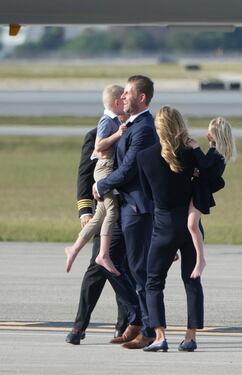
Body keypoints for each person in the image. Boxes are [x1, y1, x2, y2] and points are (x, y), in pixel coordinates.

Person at [93, 75, 158, 349]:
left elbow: (129, 167)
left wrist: (102, 184)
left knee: (138, 269)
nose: (123, 98)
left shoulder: (143, 127)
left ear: (141, 98)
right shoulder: (129, 125)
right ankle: (134, 317)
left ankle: (148, 329)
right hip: (123, 206)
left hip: (136, 206)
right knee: (107, 260)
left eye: (128, 93)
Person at [137, 106, 205, 352]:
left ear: (158, 128)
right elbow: (209, 179)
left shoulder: (144, 157)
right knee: (192, 281)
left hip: (163, 225)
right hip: (190, 224)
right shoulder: (191, 154)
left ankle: (160, 335)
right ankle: (190, 337)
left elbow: (147, 195)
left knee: (153, 282)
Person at [64, 125, 135, 345]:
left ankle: (123, 326)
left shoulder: (135, 131)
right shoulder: (96, 135)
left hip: (128, 210)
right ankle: (79, 325)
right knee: (97, 268)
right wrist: (85, 210)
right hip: (104, 210)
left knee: (127, 269)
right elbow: (85, 175)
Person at [65, 85, 127, 276]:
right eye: (124, 99)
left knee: (102, 214)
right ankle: (102, 254)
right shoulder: (105, 124)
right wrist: (84, 210)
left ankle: (75, 248)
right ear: (117, 102)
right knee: (111, 212)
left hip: (110, 181)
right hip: (104, 175)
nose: (126, 102)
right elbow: (85, 174)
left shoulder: (119, 124)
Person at [187, 117, 236, 279]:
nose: (207, 136)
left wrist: (195, 147)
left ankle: (200, 259)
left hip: (200, 194)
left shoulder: (217, 154)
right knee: (189, 224)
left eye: (211, 134)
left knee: (192, 224)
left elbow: (204, 164)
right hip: (197, 190)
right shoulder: (215, 152)